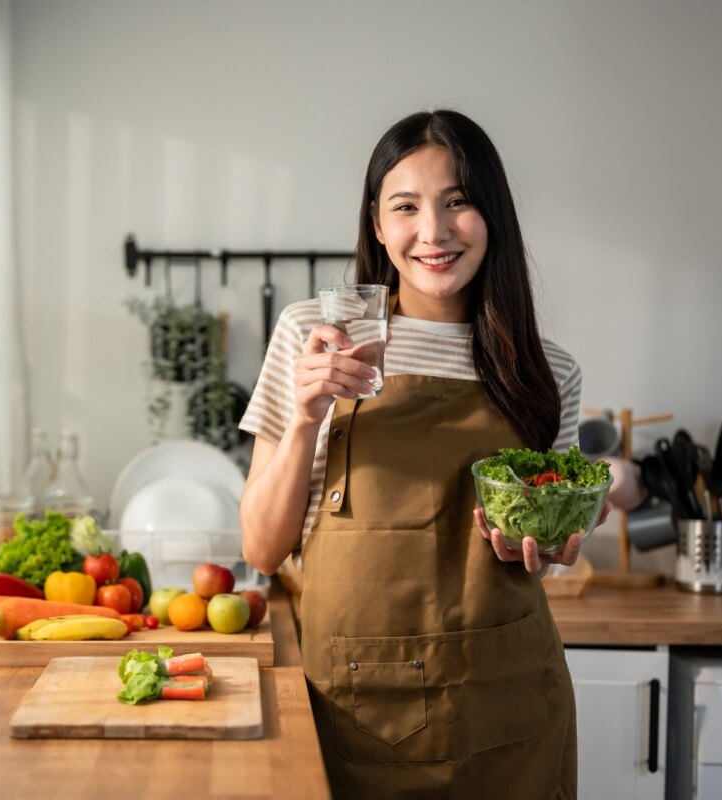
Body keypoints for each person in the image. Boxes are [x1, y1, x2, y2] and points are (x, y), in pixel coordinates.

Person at [239, 109, 612, 799]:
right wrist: (303, 419)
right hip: (356, 712)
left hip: (509, 717)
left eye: (458, 202)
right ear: (378, 225)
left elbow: (553, 544)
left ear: (492, 215)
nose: (434, 232)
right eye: (406, 206)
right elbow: (261, 550)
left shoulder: (548, 372)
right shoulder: (316, 340)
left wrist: (557, 546)